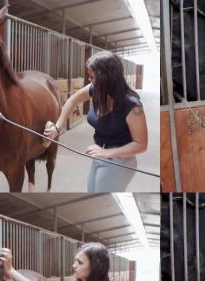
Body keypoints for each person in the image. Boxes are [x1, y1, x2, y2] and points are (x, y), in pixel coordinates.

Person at [43, 51, 148, 192]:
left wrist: (107, 153)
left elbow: (141, 145)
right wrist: (57, 127)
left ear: (106, 78)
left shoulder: (131, 105)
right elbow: (71, 101)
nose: (89, 81)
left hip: (120, 160)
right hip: (99, 155)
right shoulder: (96, 90)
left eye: (92, 77)